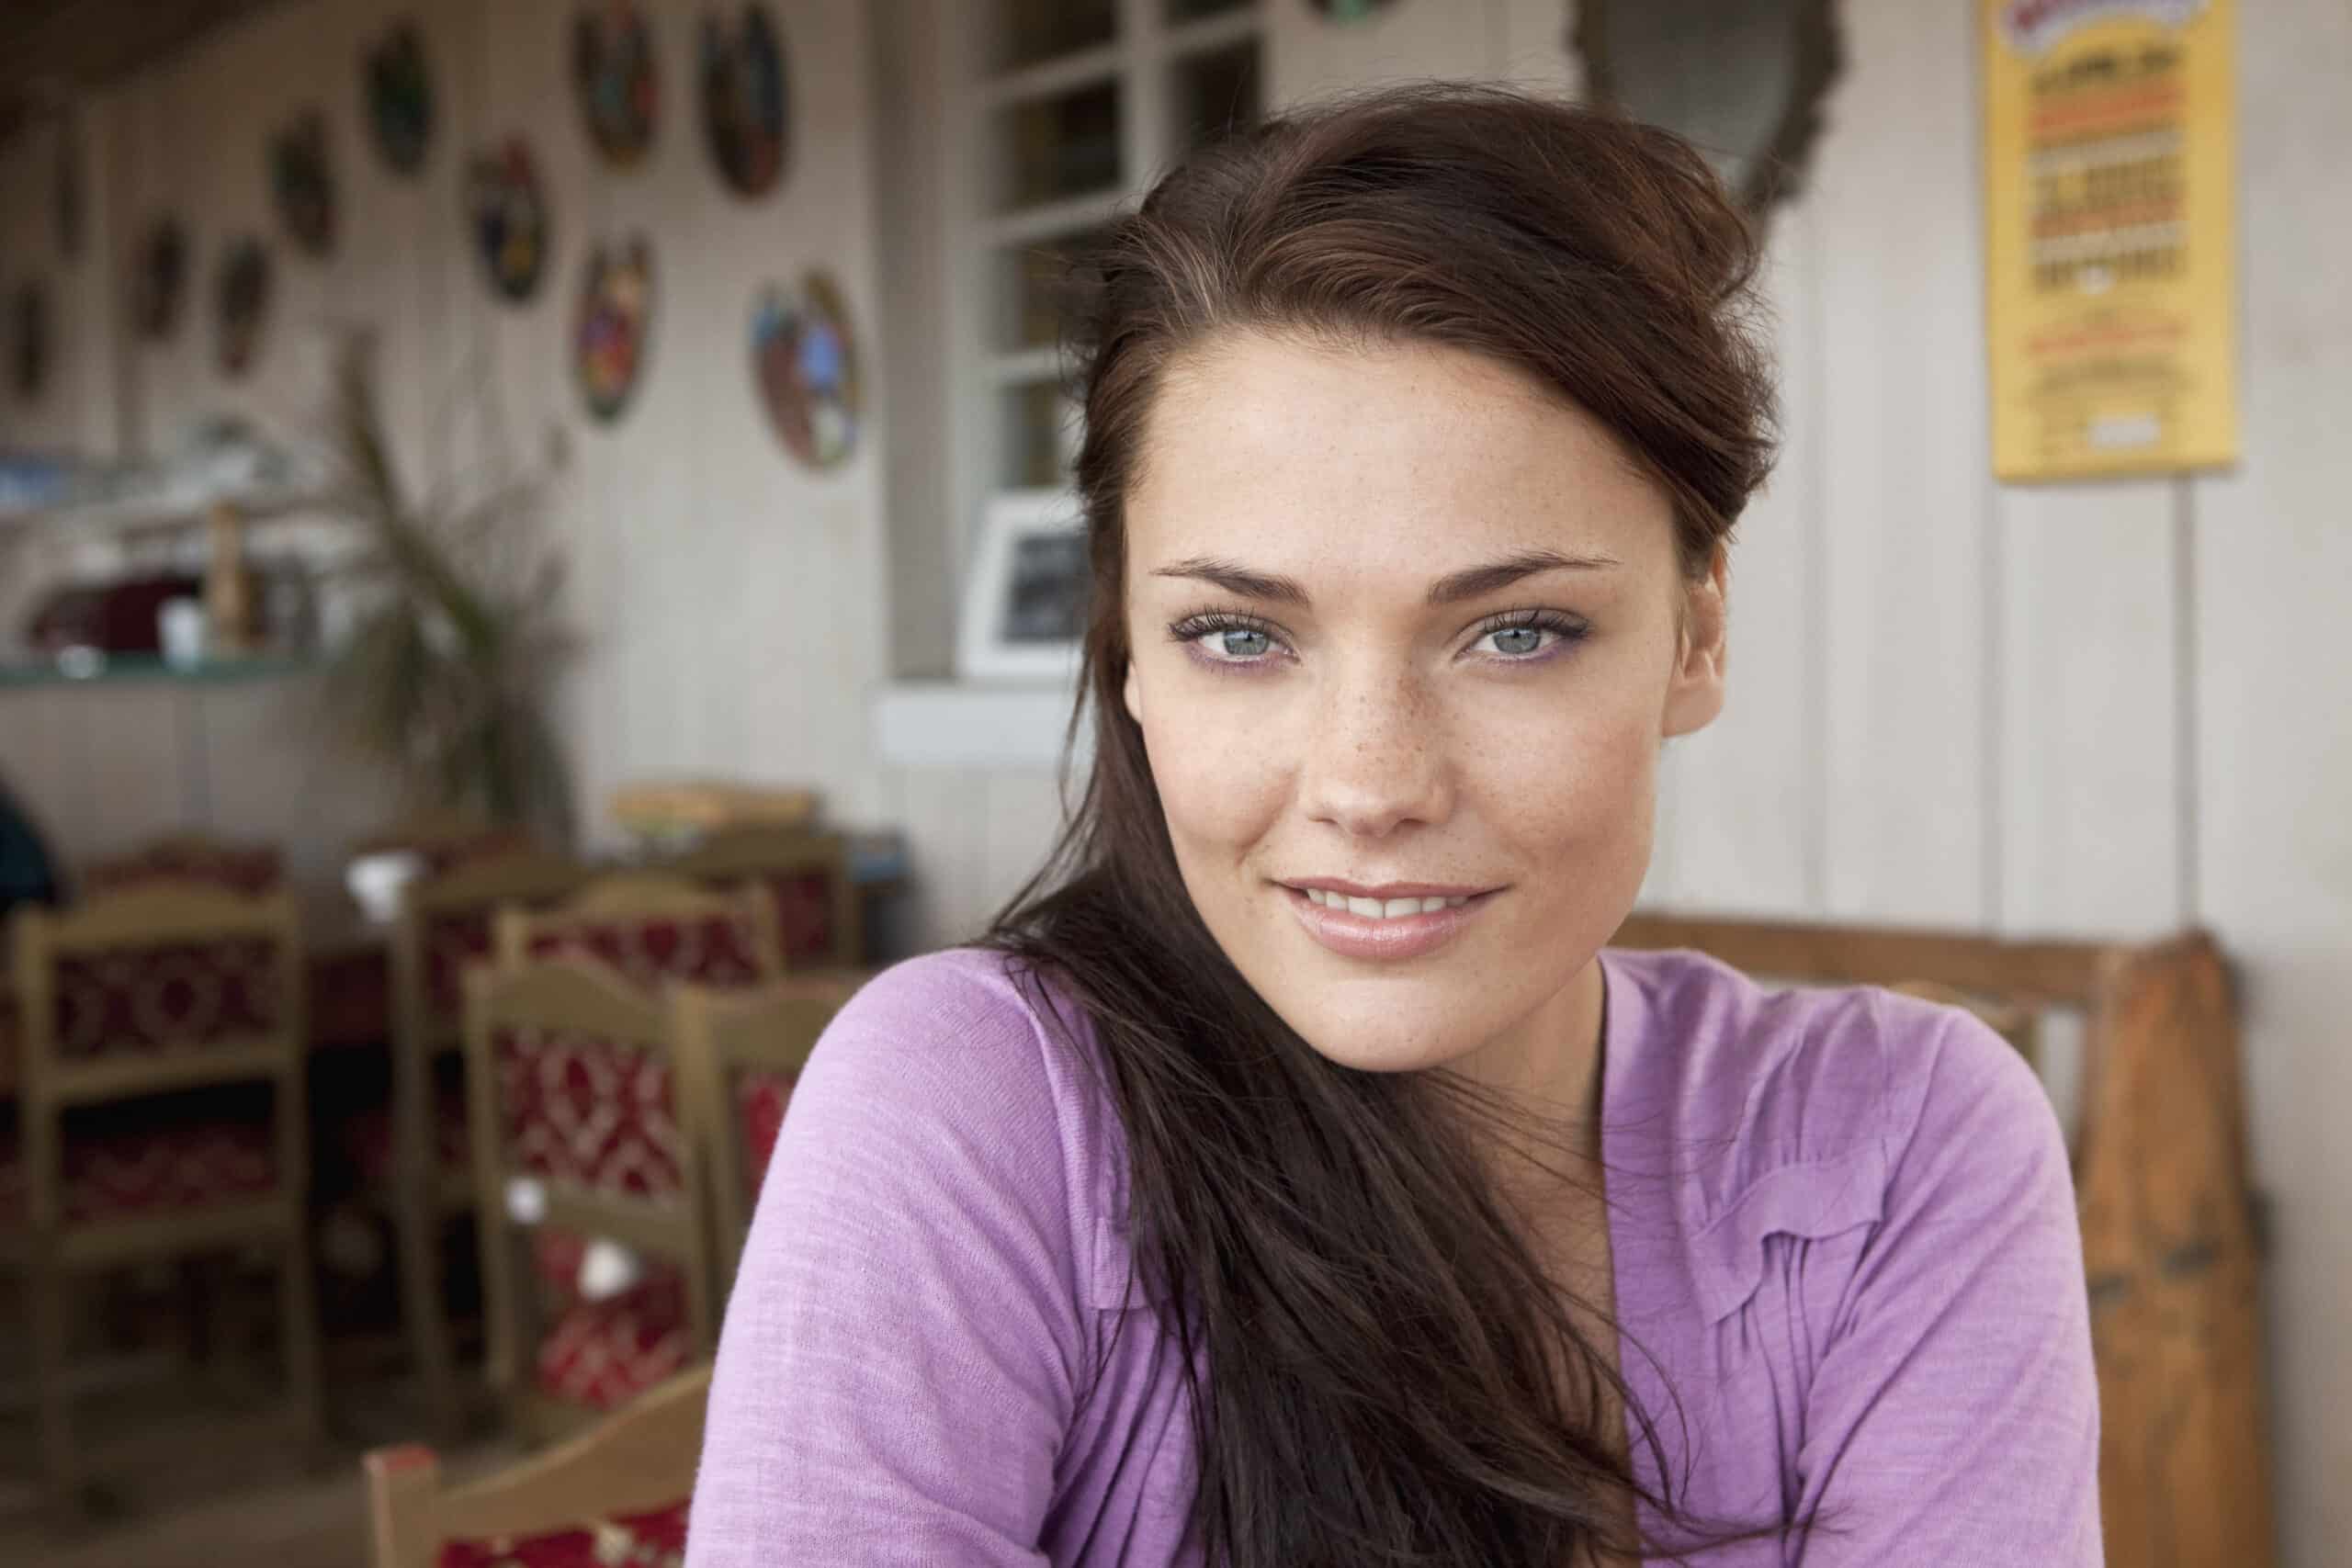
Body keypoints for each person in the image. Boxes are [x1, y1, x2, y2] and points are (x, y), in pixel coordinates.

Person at [686, 85, 2099, 1567]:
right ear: (1128, 661)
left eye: (1518, 632)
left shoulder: (1895, 1148)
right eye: (1240, 635)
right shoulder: (975, 1111)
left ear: (1695, 637)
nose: (1369, 786)